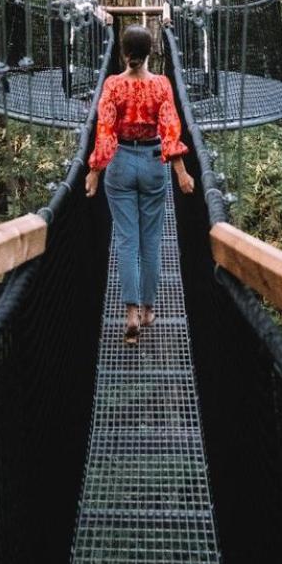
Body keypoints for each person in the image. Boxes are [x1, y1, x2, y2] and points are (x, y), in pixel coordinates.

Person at [85, 23, 195, 343]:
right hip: (152, 164)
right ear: (151, 52)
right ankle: (148, 310)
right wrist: (182, 173)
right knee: (151, 242)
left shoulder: (113, 85)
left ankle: (130, 313)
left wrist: (94, 170)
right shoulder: (161, 85)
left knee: (126, 242)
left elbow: (105, 131)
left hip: (119, 163)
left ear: (123, 52)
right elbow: (171, 129)